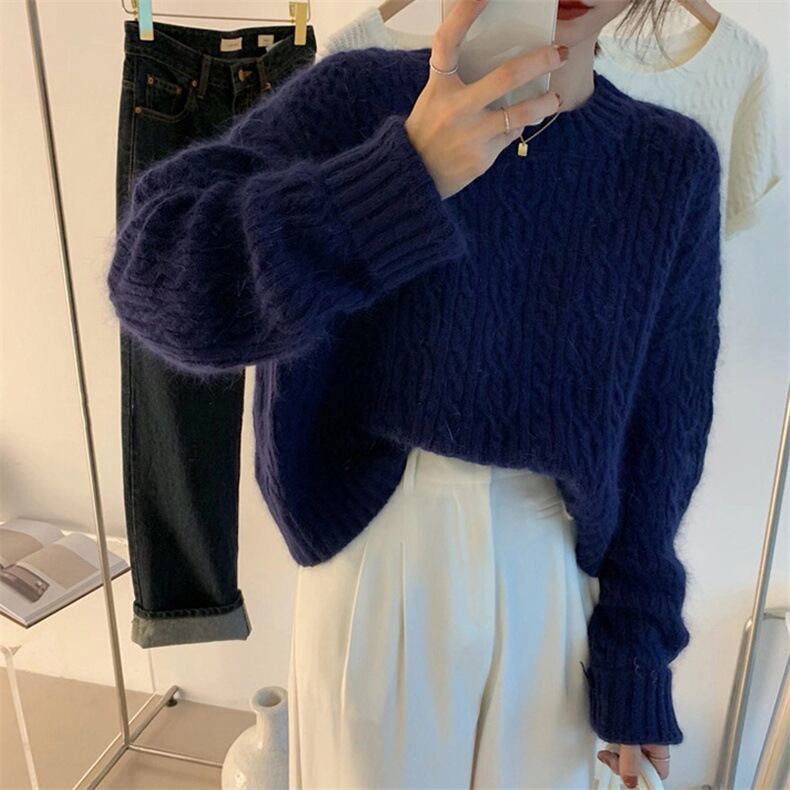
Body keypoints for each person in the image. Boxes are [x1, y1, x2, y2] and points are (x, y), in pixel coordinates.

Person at [106, 0, 722, 786]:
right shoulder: (352, 100)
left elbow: (662, 440)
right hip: (375, 549)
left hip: (555, 574)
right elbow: (156, 279)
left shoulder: (669, 164)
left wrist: (638, 653)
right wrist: (400, 178)